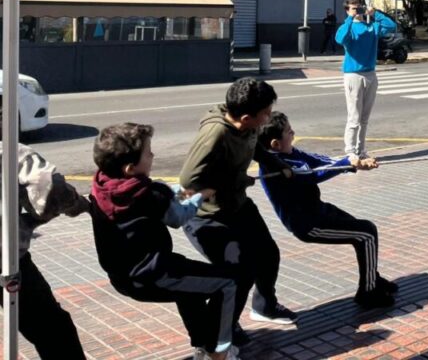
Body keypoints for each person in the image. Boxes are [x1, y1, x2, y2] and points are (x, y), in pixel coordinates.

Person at [90, 123, 239, 360]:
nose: (153, 155)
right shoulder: (149, 194)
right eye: (148, 152)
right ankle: (218, 352)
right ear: (130, 168)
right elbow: (178, 215)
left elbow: (166, 193)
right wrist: (202, 194)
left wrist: (183, 191)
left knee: (192, 290)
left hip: (124, 277)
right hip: (156, 273)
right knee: (228, 283)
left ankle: (203, 345)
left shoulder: (102, 187)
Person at [179, 78, 297, 346]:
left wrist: (276, 162)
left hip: (237, 206)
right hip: (207, 217)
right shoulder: (215, 135)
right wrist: (238, 180)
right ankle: (223, 329)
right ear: (246, 117)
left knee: (268, 254)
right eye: (265, 113)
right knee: (239, 273)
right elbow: (188, 180)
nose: (269, 118)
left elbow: (254, 145)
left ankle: (265, 306)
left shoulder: (248, 127)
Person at [255, 112, 398, 309]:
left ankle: (371, 278)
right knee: (366, 233)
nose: (293, 133)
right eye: (289, 132)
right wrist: (346, 164)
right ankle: (368, 292)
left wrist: (352, 163)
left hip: (319, 211)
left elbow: (319, 161)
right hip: (309, 224)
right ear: (275, 144)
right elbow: (312, 175)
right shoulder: (275, 165)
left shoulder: (291, 153)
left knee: (363, 232)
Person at [0, 140, 90, 360]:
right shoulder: (8, 151)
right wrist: (78, 204)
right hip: (7, 259)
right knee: (54, 332)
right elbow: (49, 186)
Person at [336, 0, 397, 163]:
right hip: (353, 75)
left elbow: (392, 26)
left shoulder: (372, 27)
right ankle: (350, 151)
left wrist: (375, 13)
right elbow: (340, 38)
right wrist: (350, 18)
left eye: (359, 7)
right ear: (347, 10)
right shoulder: (348, 28)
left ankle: (361, 150)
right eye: (354, 7)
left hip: (370, 74)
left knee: (364, 118)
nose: (358, 10)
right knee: (354, 117)